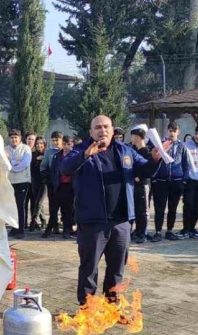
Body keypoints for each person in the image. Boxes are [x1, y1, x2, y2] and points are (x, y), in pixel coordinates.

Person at [60, 115, 158, 306]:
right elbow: (64, 168)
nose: (102, 130)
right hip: (92, 222)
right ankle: (87, 307)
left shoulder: (125, 151)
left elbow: (144, 171)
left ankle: (112, 305)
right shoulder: (81, 151)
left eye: (106, 127)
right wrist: (85, 155)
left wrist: (154, 160)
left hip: (121, 221)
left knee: (117, 268)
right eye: (97, 127)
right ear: (91, 132)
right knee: (89, 268)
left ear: (113, 130)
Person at [150, 121, 188, 242]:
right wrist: (154, 178)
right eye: (170, 130)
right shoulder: (160, 144)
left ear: (178, 131)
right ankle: (157, 231)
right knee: (159, 207)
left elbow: (186, 164)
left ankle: (170, 230)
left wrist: (184, 180)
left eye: (174, 130)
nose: (172, 132)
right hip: (161, 181)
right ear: (167, 131)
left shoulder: (182, 146)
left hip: (176, 181)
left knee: (173, 208)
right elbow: (153, 160)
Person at [47, 136, 75, 239]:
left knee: (68, 209)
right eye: (64, 144)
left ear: (72, 144)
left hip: (70, 186)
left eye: (69, 144)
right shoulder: (57, 156)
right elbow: (53, 169)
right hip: (58, 185)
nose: (66, 146)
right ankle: (50, 228)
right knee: (54, 208)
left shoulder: (75, 155)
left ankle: (67, 230)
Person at [6, 129, 32, 239]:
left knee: (20, 205)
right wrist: (14, 163)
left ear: (20, 138)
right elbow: (4, 163)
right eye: (12, 138)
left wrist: (12, 165)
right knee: (11, 206)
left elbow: (25, 163)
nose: (14, 139)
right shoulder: (5, 149)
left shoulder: (26, 149)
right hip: (10, 181)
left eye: (16, 137)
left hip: (22, 181)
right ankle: (13, 227)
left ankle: (20, 229)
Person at [130, 127, 152, 243]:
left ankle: (142, 233)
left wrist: (140, 177)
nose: (131, 139)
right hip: (134, 185)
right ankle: (137, 231)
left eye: (132, 136)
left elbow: (149, 169)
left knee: (143, 210)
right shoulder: (133, 151)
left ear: (138, 138)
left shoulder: (147, 152)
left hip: (143, 185)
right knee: (136, 209)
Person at [41, 132, 64, 237]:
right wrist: (48, 178)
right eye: (53, 140)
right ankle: (51, 227)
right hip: (52, 183)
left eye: (57, 140)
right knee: (53, 207)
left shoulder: (66, 150)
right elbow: (43, 167)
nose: (55, 142)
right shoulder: (49, 152)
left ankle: (66, 228)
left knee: (65, 207)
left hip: (65, 184)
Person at [29, 137, 47, 231]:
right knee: (37, 202)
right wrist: (36, 159)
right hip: (34, 181)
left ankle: (33, 221)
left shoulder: (47, 154)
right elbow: (30, 168)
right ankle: (43, 221)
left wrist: (43, 159)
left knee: (39, 202)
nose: (39, 145)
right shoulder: (32, 155)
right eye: (37, 144)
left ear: (44, 145)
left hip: (45, 182)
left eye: (41, 144)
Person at [23, 133, 37, 229]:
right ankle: (23, 223)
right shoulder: (22, 151)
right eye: (29, 139)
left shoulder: (38, 153)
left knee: (34, 203)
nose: (30, 141)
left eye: (32, 139)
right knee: (23, 203)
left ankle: (34, 222)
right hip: (24, 180)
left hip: (35, 181)